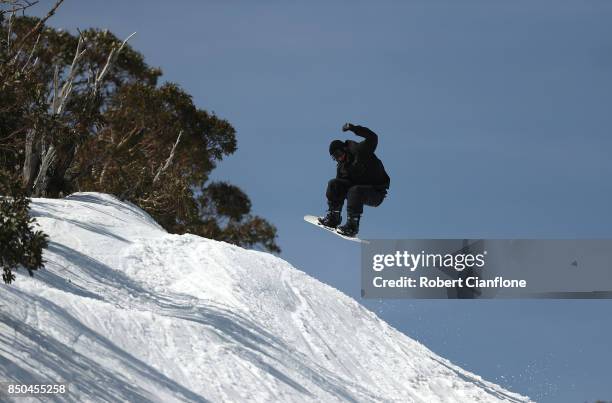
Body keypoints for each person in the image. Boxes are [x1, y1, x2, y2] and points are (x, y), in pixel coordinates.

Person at [319, 123, 390, 237]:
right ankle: (334, 217)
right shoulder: (341, 167)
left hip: (376, 192)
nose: (339, 158)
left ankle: (352, 226)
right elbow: (339, 190)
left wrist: (354, 128)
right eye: (335, 157)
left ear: (344, 149)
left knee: (355, 190)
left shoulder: (360, 151)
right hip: (357, 191)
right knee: (334, 184)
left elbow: (373, 137)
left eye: (339, 154)